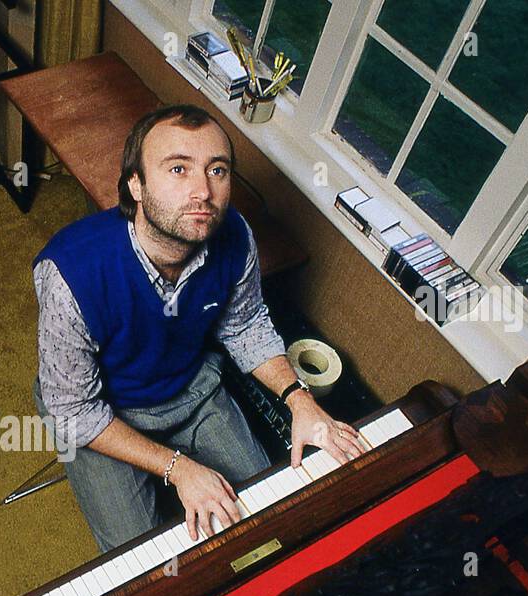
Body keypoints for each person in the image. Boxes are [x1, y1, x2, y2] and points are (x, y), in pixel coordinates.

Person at [33, 104, 364, 552]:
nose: (203, 191)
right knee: (145, 559)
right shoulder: (68, 273)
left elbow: (245, 325)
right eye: (178, 169)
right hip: (104, 410)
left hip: (192, 388)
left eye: (217, 170)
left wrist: (299, 400)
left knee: (268, 514)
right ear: (136, 184)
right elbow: (74, 412)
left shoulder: (236, 236)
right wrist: (180, 469)